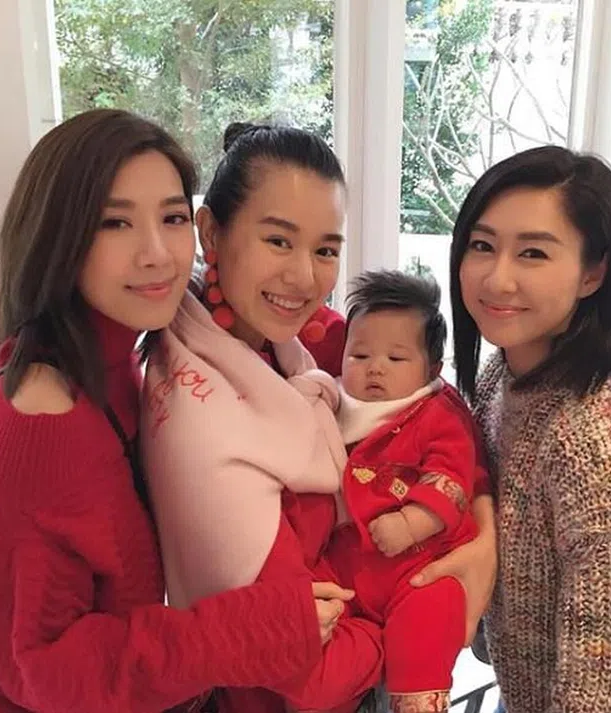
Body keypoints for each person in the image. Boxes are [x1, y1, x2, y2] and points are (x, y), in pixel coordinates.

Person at [0, 109, 351, 713]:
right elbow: (51, 673)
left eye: (171, 218)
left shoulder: (131, 351)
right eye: (115, 222)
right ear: (58, 235)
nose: (158, 254)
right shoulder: (41, 416)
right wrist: (247, 630)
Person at [141, 123, 498, 713]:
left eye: (326, 250)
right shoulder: (207, 432)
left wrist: (484, 532)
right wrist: (401, 631)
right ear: (211, 232)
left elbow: (430, 402)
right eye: (278, 241)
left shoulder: (278, 332)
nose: (305, 278)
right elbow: (308, 670)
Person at [451, 145, 611, 712]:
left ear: (593, 273)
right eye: (482, 246)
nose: (497, 279)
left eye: (533, 253)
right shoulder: (503, 375)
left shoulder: (600, 431)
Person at [289, 269, 489, 713]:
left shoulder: (436, 412)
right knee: (307, 643)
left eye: (396, 358)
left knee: (428, 620)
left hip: (417, 565)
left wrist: (414, 520)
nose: (375, 367)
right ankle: (342, 678)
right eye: (359, 355)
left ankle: (416, 700)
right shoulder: (334, 401)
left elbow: (453, 475)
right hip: (346, 565)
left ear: (432, 369)